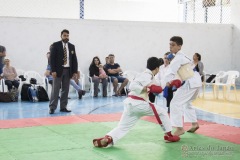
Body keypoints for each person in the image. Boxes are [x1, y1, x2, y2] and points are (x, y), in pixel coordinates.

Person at [92, 57, 180, 148]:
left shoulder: (148, 76)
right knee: (162, 112)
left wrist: (171, 83)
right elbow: (133, 86)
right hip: (139, 104)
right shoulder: (146, 76)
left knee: (123, 127)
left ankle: (108, 138)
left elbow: (159, 85)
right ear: (157, 68)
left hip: (130, 104)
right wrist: (146, 88)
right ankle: (169, 135)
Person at [164, 36, 202, 136]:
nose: (170, 47)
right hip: (197, 82)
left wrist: (167, 83)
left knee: (174, 103)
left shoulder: (178, 58)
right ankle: (194, 123)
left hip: (190, 82)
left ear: (179, 47)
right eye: (170, 45)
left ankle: (179, 128)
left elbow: (170, 73)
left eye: (173, 45)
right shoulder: (184, 56)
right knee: (187, 103)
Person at [49, 29, 78, 114]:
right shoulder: (55, 45)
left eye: (67, 35)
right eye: (64, 35)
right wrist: (53, 70)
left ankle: (63, 107)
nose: (66, 37)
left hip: (68, 70)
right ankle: (52, 107)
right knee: (55, 89)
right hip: (57, 71)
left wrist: (74, 71)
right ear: (61, 36)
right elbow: (52, 59)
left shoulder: (72, 46)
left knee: (65, 90)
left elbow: (74, 59)